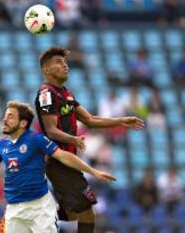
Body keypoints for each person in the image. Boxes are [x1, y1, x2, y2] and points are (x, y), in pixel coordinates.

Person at [0, 101, 116, 233]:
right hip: (14, 209)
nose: (5, 120)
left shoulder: (36, 139)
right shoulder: (2, 145)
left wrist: (93, 171)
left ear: (23, 123)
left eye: (10, 117)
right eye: (5, 116)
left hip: (40, 208)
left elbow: (64, 156)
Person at [34, 47, 144, 233]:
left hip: (69, 161)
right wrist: (73, 139)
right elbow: (51, 131)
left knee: (84, 213)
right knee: (86, 211)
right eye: (59, 62)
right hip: (57, 160)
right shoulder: (47, 93)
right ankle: (32, 216)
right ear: (47, 70)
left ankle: (34, 215)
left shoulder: (66, 94)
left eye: (65, 61)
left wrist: (121, 120)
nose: (65, 65)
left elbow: (90, 119)